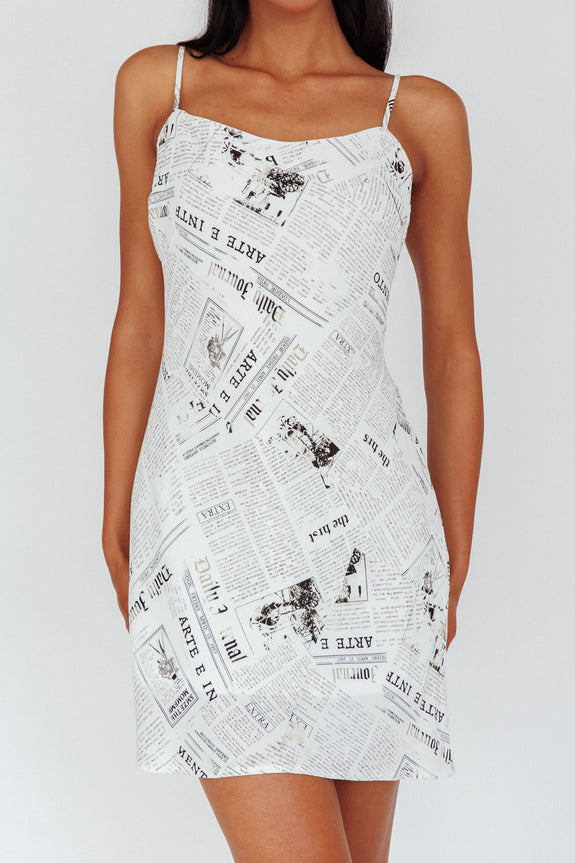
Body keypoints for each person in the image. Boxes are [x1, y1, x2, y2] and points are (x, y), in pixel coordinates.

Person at [102, 1, 483, 860]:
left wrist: (453, 552)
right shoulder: (158, 89)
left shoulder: (420, 114)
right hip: (207, 535)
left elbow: (453, 350)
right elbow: (140, 319)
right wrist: (117, 509)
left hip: (376, 543)